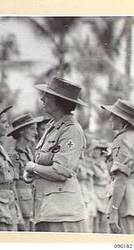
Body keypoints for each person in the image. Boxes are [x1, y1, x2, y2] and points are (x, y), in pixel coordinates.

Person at [24, 76, 87, 232]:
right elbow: (45, 162)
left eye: (48, 96)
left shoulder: (71, 130)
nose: (42, 99)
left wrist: (32, 167)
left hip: (62, 211)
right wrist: (32, 172)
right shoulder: (52, 126)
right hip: (46, 207)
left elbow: (61, 171)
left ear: (59, 101)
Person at [101, 99, 134, 234]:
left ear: (122, 119)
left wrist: (114, 210)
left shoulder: (122, 139)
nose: (110, 119)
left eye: (113, 115)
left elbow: (121, 178)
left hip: (125, 201)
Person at [7, 113, 43, 231]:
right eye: (32, 129)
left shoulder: (29, 152)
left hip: (31, 205)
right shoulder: (14, 155)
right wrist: (17, 213)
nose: (36, 133)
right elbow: (13, 186)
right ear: (22, 131)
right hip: (21, 208)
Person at [91, 140, 110, 233]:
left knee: (104, 220)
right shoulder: (91, 164)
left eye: (98, 149)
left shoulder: (104, 163)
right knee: (95, 219)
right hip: (94, 192)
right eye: (94, 149)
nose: (95, 151)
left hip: (104, 193)